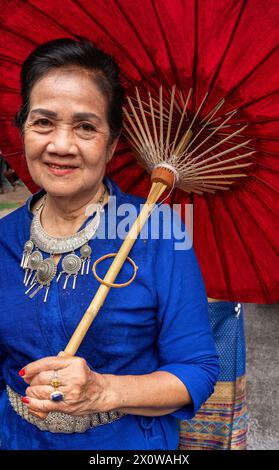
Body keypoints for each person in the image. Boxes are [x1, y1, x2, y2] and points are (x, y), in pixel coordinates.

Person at [0, 37, 219, 450]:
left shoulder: (157, 232)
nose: (60, 145)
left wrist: (103, 390)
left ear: (112, 143)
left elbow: (197, 371)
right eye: (43, 122)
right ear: (22, 128)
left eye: (85, 126)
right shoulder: (3, 239)